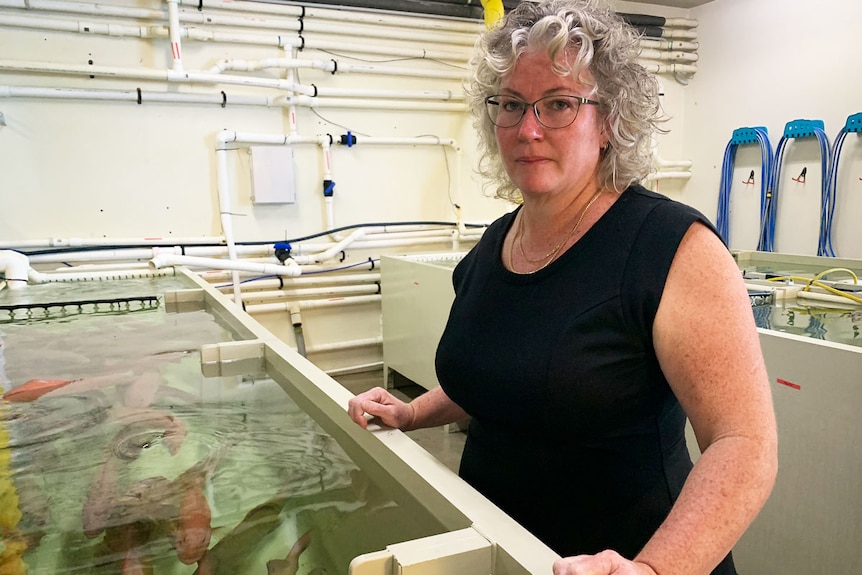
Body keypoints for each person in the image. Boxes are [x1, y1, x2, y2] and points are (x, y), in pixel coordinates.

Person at [347, 1, 778, 574]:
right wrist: (413, 412)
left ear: (608, 122)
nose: (528, 128)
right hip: (499, 551)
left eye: (558, 104)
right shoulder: (494, 244)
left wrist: (654, 569)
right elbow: (505, 377)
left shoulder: (672, 248)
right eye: (512, 105)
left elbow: (743, 444)